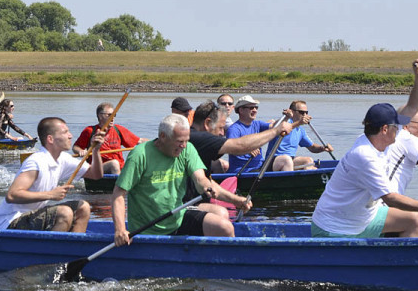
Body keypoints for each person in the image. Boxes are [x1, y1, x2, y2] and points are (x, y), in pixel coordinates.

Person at [311, 60, 418, 238]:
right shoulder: (364, 156)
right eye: (397, 127)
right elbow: (390, 198)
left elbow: (412, 107)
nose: (401, 130)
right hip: (337, 227)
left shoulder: (376, 140)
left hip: (362, 216)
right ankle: (404, 264)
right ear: (385, 129)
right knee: (415, 218)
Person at [111, 114, 251, 246]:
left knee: (224, 228)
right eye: (179, 141)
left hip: (178, 217)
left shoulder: (187, 149)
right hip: (148, 227)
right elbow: (118, 194)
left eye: (186, 141)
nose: (183, 146)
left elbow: (201, 179)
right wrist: (120, 229)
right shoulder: (139, 155)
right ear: (162, 136)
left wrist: (235, 200)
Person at [0, 117, 106, 231]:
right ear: (50, 139)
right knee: (65, 212)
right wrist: (51, 195)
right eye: (65, 132)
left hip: (33, 215)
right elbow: (12, 195)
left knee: (83, 207)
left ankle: (73, 247)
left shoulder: (63, 159)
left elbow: (96, 175)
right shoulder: (36, 162)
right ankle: (55, 248)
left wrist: (95, 151)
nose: (70, 136)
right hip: (10, 222)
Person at [189, 100, 293, 173]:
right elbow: (238, 146)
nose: (222, 133)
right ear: (207, 123)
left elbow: (202, 181)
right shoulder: (200, 138)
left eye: (256, 107)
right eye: (220, 128)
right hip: (243, 170)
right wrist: (276, 131)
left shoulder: (194, 136)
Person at [72, 101, 143, 174]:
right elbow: (75, 147)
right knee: (114, 164)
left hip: (119, 169)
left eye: (114, 115)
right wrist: (80, 151)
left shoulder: (118, 129)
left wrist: (154, 142)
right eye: (109, 115)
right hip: (97, 170)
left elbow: (140, 141)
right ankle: (118, 184)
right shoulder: (89, 131)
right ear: (100, 116)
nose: (112, 118)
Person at [266, 100, 333, 171]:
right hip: (273, 160)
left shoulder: (300, 130)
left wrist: (323, 148)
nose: (304, 115)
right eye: (301, 112)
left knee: (308, 160)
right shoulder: (284, 122)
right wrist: (298, 122)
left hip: (290, 160)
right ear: (292, 112)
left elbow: (312, 147)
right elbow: (279, 128)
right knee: (286, 159)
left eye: (306, 112)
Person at [224, 95, 278, 173]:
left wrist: (287, 117)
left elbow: (275, 126)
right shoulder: (234, 129)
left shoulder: (258, 124)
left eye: (256, 107)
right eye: (251, 108)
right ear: (241, 110)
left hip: (260, 167)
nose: (255, 110)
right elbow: (231, 149)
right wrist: (248, 149)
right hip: (243, 170)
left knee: (284, 160)